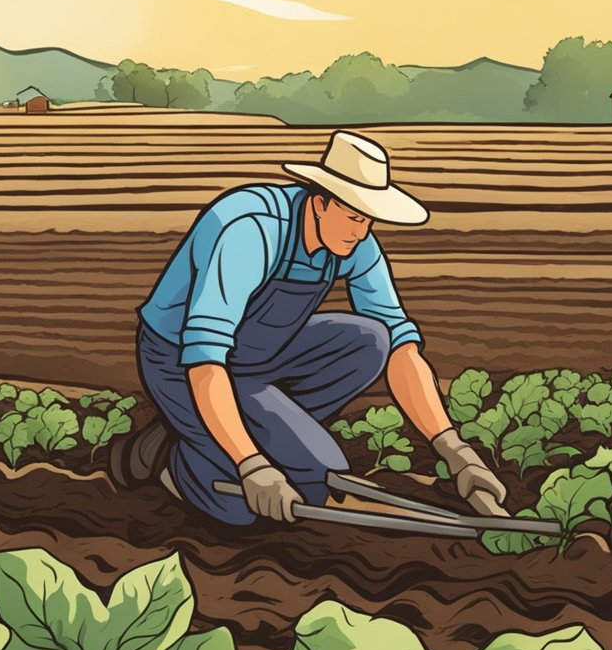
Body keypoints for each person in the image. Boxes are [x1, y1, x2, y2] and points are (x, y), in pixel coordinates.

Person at [110, 130, 507, 524]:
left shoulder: (356, 243)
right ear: (320, 202)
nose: (360, 231)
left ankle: (218, 428)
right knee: (249, 505)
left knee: (371, 342)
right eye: (353, 216)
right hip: (179, 359)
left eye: (368, 219)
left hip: (259, 359)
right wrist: (251, 466)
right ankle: (166, 459)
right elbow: (206, 357)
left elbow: (402, 348)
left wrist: (456, 452)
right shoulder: (252, 231)